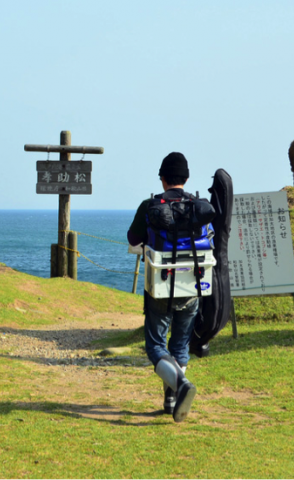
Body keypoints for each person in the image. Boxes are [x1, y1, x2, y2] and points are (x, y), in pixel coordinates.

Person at [127, 152, 198, 423]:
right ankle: (170, 399)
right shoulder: (197, 205)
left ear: (162, 179)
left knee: (156, 346)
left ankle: (180, 386)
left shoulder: (151, 205)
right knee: (180, 346)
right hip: (193, 285)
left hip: (160, 285)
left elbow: (133, 237)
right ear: (187, 179)